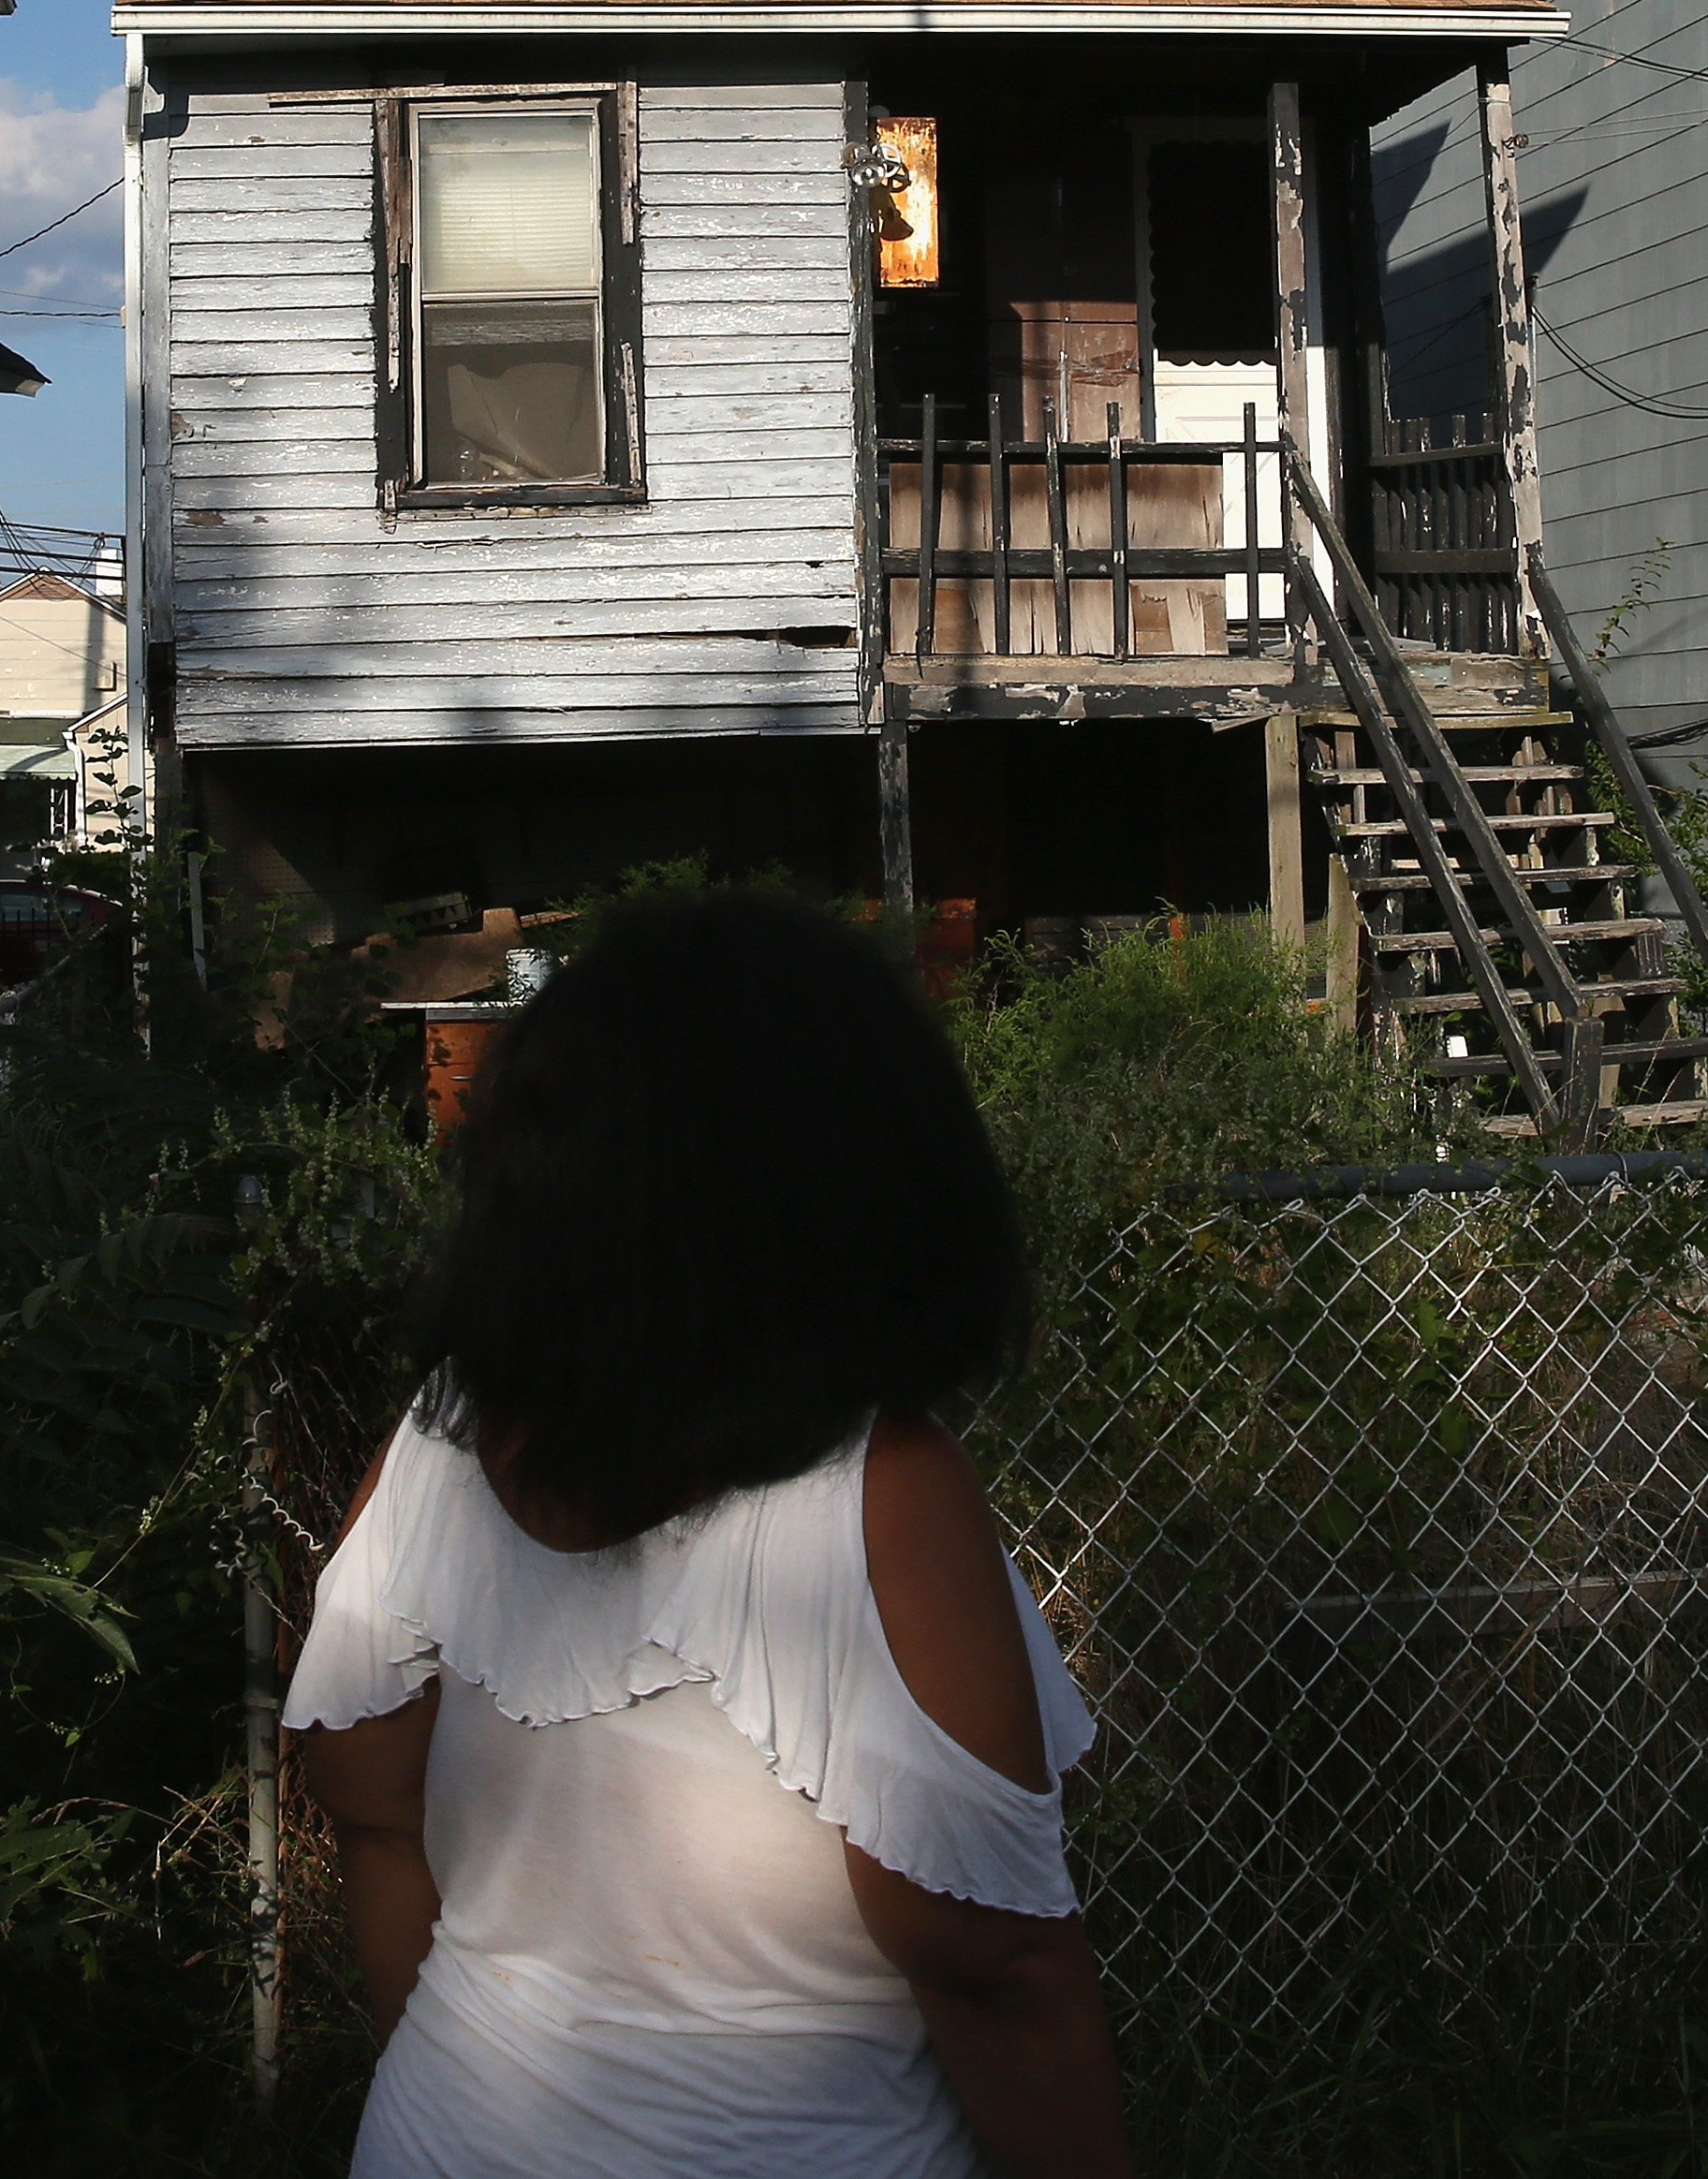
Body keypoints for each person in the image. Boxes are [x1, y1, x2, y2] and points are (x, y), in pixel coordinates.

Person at [287, 891, 1132, 2178]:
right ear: (865, 1166)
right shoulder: (878, 1489)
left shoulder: (449, 1428)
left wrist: (474, 2085)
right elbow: (996, 1965)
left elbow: (359, 1791)